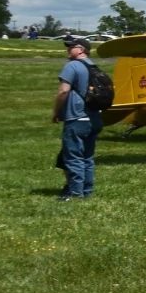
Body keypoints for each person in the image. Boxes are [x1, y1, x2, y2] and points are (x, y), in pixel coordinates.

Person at [53, 38, 103, 200]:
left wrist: (56, 112)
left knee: (73, 157)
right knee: (87, 157)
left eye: (72, 47)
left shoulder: (72, 66)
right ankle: (86, 192)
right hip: (94, 118)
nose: (68, 50)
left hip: (76, 118)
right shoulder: (94, 67)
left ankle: (75, 193)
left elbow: (63, 91)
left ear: (81, 50)